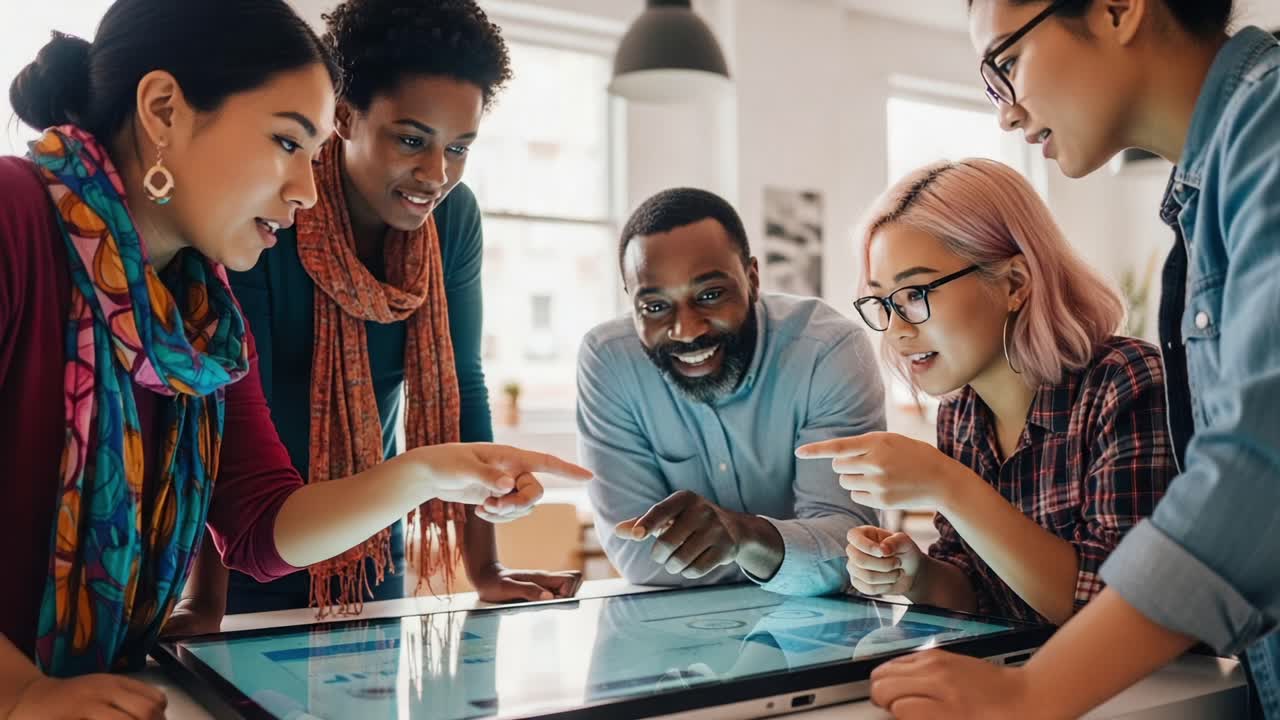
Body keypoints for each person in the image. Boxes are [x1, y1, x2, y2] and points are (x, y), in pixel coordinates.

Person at [0, 2, 587, 717]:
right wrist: (21, 688)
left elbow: (261, 524)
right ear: (163, 110)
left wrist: (428, 471)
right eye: (286, 141)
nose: (307, 189)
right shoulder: (13, 219)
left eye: (311, 156)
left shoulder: (199, 309)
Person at [867, 2, 1280, 717]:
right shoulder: (1203, 190)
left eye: (1007, 63)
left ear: (1120, 9)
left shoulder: (1265, 140)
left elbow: (1253, 475)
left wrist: (1031, 694)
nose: (1006, 113)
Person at [169, 0, 580, 631]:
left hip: (368, 534)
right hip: (240, 551)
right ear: (346, 117)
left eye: (460, 147)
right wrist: (204, 604)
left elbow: (459, 385)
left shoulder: (453, 218)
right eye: (411, 140)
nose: (436, 174)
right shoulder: (273, 212)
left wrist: (487, 572)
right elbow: (219, 408)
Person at [796, 158, 1173, 626]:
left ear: (1015, 283)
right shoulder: (961, 415)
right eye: (883, 302)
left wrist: (948, 484)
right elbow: (978, 592)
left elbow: (1118, 612)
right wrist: (917, 576)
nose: (894, 330)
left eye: (915, 293)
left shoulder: (1126, 381)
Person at [578, 187, 885, 596]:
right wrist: (791, 557)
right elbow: (637, 556)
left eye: (709, 295)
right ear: (631, 303)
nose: (686, 329)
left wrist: (744, 536)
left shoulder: (828, 352)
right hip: (684, 642)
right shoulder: (609, 362)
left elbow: (849, 552)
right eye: (654, 306)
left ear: (752, 279)